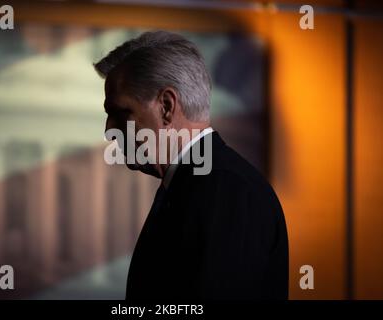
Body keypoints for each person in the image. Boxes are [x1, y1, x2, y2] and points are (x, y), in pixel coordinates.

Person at [94, 31, 288, 300]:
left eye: (120, 112)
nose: (109, 130)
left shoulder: (226, 190)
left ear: (166, 106)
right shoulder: (200, 184)